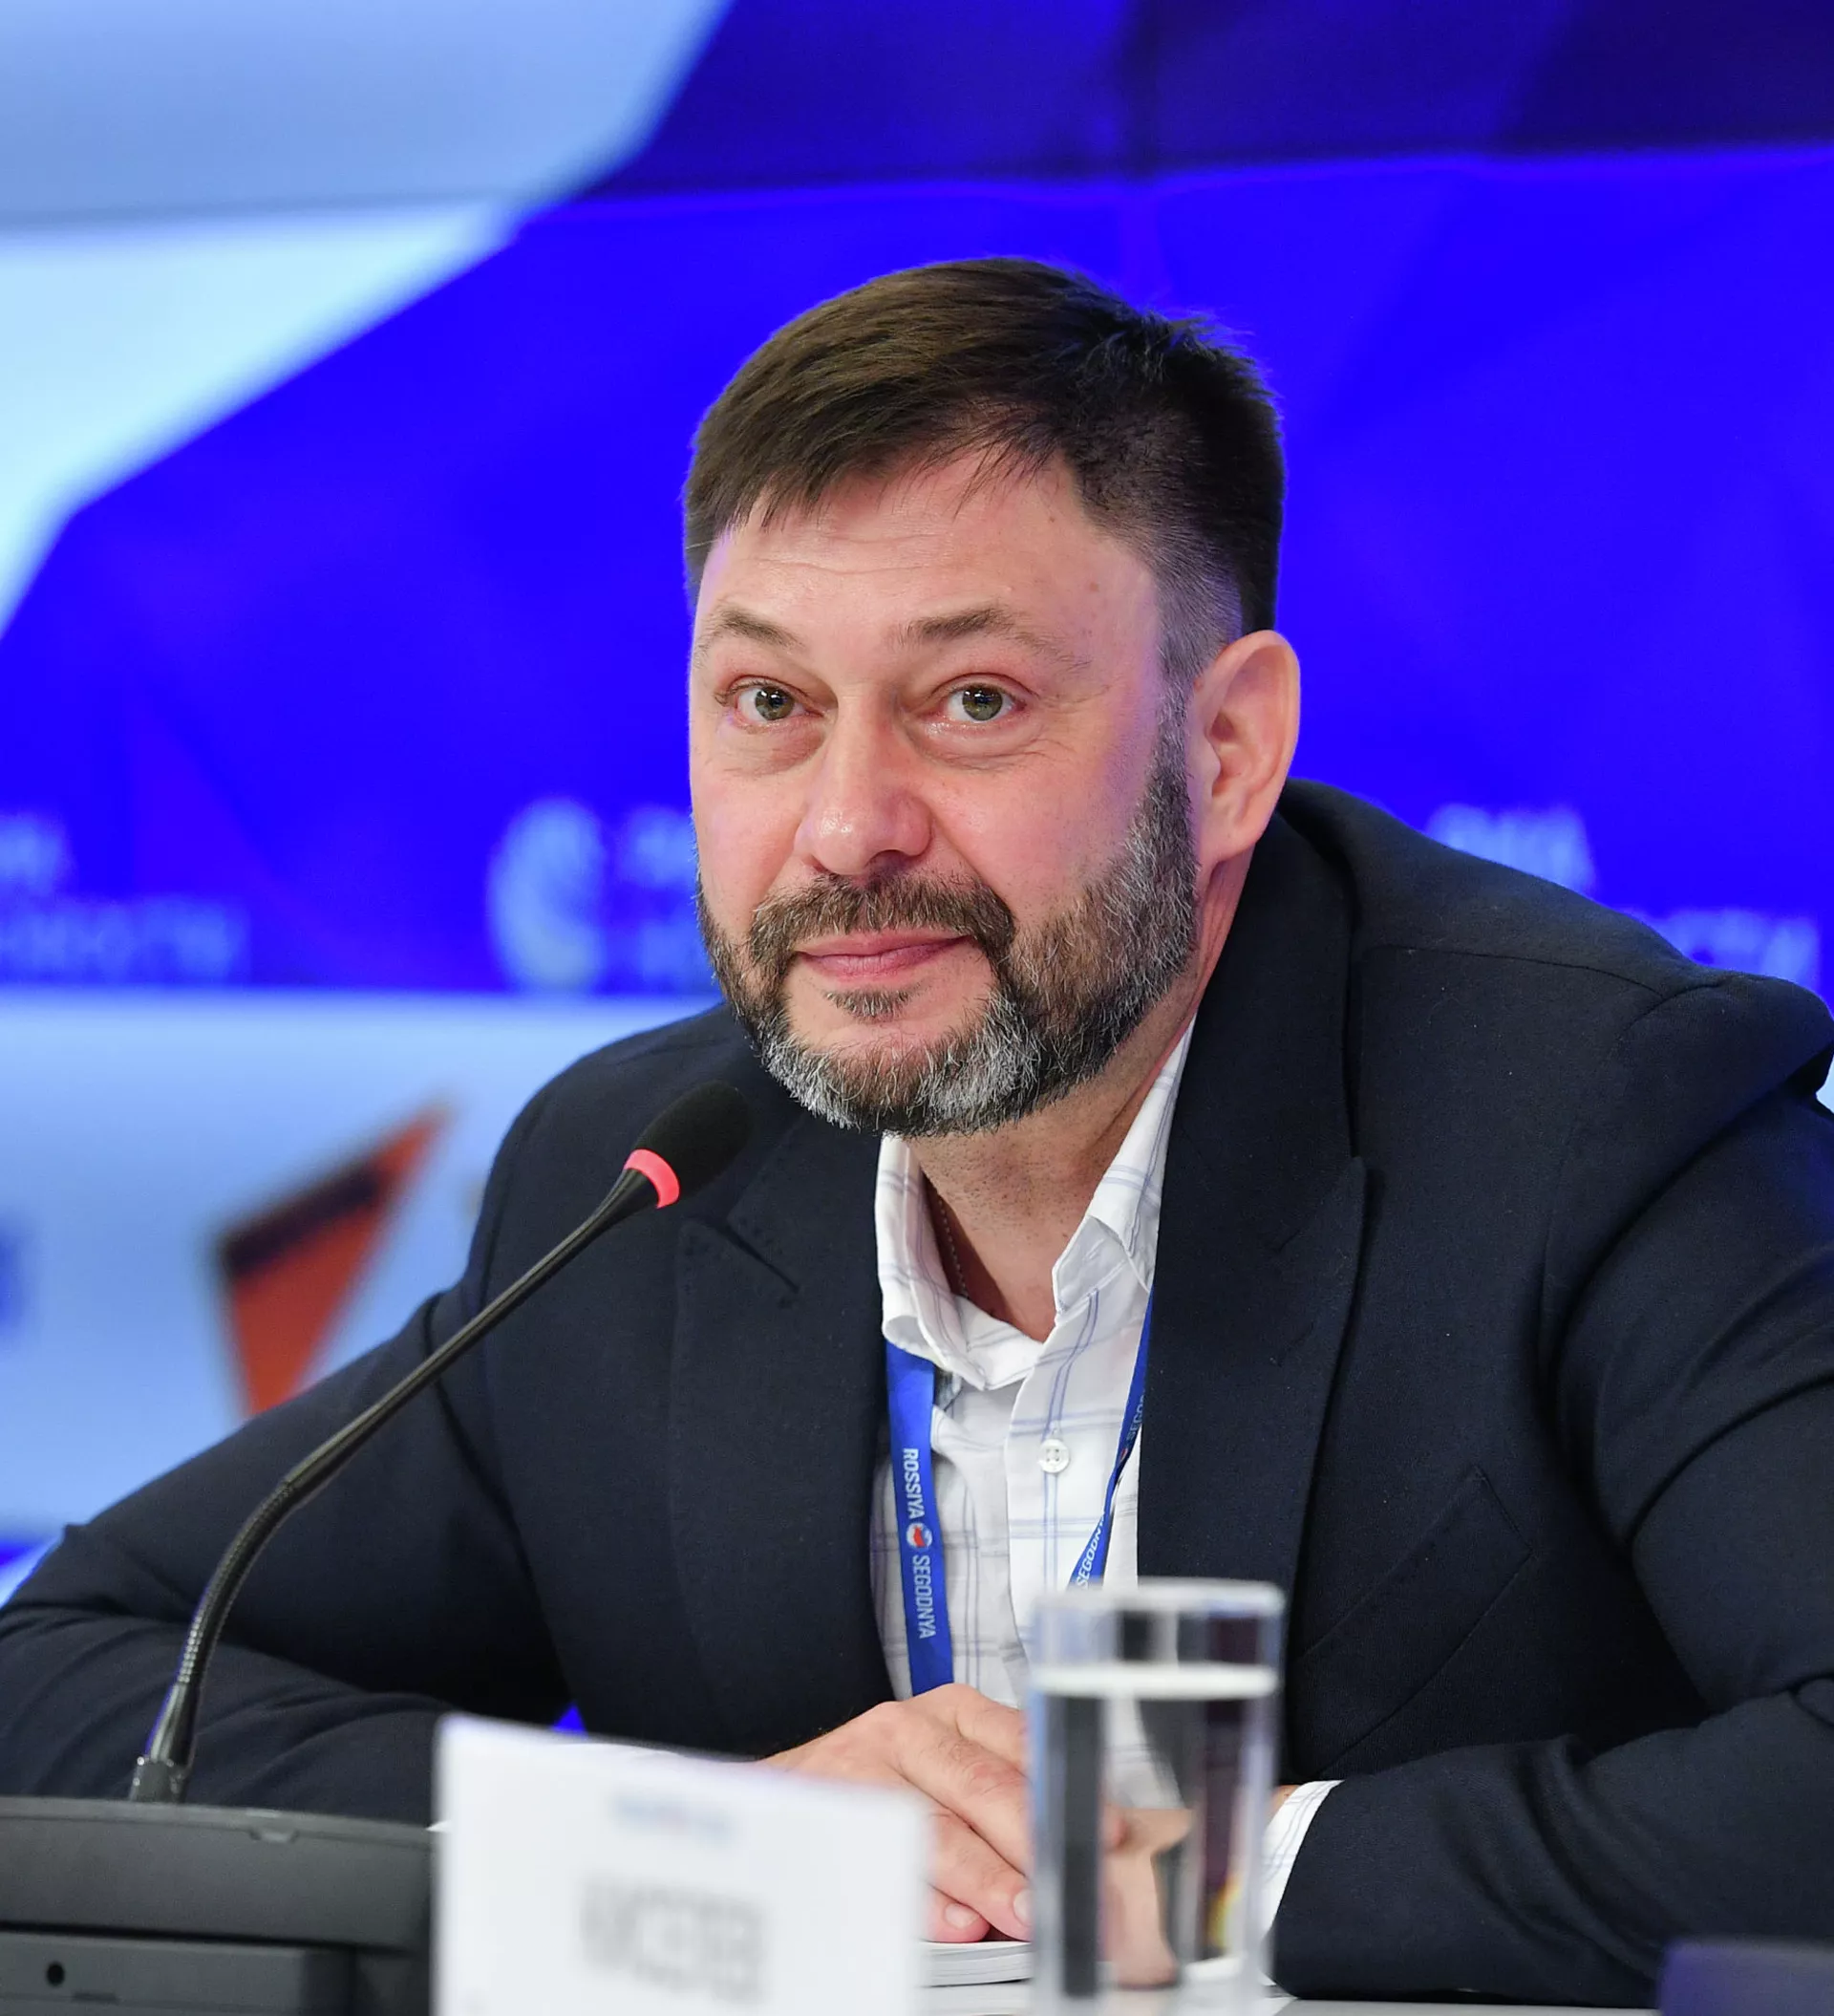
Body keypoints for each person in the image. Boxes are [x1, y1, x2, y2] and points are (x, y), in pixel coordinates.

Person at [3, 258, 1832, 2005]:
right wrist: (710, 1838)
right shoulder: (637, 1183)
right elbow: (69, 1675)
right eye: (770, 705)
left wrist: (1193, 1867)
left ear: (1225, 754)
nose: (846, 825)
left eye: (973, 702)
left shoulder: (1592, 1115)